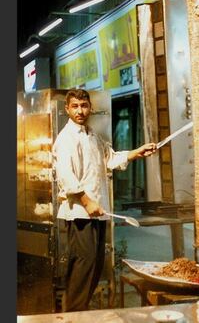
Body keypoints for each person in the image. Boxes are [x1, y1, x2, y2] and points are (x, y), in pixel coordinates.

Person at [53, 89, 156, 311]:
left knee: (95, 265)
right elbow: (66, 176)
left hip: (97, 212)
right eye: (75, 106)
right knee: (84, 265)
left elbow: (109, 159)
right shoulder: (66, 139)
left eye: (84, 105)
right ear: (67, 109)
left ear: (90, 107)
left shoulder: (92, 134)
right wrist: (87, 202)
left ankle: (79, 313)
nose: (80, 111)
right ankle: (73, 316)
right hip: (80, 213)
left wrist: (137, 151)